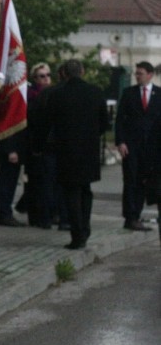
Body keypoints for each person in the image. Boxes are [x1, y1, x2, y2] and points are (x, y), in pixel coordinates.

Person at [44, 59, 108, 250]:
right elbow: (104, 123)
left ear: (64, 73)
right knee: (85, 190)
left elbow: (49, 122)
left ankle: (77, 233)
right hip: (88, 150)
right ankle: (85, 229)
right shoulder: (95, 92)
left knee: (71, 193)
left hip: (66, 150)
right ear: (82, 71)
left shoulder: (57, 94)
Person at [114, 61, 160, 231]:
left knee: (146, 181)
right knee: (131, 181)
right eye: (136, 73)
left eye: (140, 73)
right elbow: (120, 120)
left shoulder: (159, 94)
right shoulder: (129, 93)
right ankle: (130, 216)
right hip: (132, 147)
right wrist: (120, 141)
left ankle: (138, 214)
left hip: (152, 148)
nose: (137, 76)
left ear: (150, 74)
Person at [24, 62, 58, 229]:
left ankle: (50, 214)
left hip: (51, 147)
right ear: (35, 79)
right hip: (36, 147)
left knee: (50, 183)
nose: (46, 79)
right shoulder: (31, 96)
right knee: (37, 183)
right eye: (42, 76)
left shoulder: (54, 94)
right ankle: (38, 215)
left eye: (48, 75)